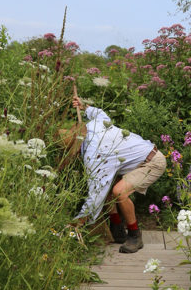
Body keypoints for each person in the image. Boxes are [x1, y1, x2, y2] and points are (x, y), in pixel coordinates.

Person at [62, 96, 166, 253]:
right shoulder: (95, 125)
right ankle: (117, 230)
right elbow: (100, 114)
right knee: (109, 191)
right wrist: (85, 107)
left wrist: (79, 221)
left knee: (119, 192)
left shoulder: (95, 154)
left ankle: (135, 236)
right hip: (137, 160)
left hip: (152, 162)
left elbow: (95, 194)